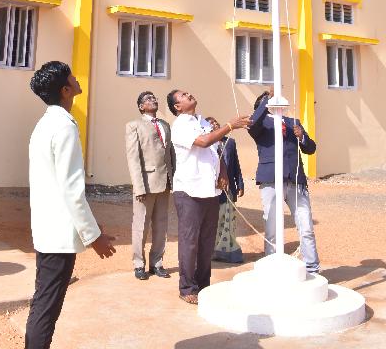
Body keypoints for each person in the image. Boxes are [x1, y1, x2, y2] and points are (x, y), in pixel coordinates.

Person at [25, 61, 115, 348]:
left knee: (44, 302)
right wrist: (94, 237)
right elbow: (71, 188)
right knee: (46, 308)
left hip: (49, 228)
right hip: (57, 236)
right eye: (72, 77)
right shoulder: (63, 126)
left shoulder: (45, 124)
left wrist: (89, 227)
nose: (78, 80)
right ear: (66, 90)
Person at [167, 89, 250, 304]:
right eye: (183, 95)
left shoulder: (202, 120)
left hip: (209, 190)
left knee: (206, 241)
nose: (189, 94)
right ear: (177, 106)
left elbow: (214, 150)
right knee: (190, 241)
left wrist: (222, 171)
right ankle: (187, 288)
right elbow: (203, 142)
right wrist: (230, 126)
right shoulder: (180, 125)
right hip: (189, 190)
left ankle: (203, 286)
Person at [248, 88, 320, 274]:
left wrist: (302, 136)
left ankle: (312, 267)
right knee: (272, 227)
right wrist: (266, 98)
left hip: (295, 180)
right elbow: (253, 122)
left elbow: (310, 148)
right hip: (271, 180)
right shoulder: (259, 123)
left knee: (306, 226)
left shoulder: (292, 122)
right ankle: (272, 268)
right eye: (267, 101)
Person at [125, 90, 175, 280]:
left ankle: (157, 262)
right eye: (148, 99)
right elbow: (133, 158)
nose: (153, 99)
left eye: (154, 97)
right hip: (146, 183)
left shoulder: (165, 125)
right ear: (141, 106)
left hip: (165, 182)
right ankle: (139, 263)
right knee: (141, 226)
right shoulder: (134, 126)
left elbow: (171, 155)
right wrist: (138, 187)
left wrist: (175, 179)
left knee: (161, 225)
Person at [206, 116, 245, 264]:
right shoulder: (206, 146)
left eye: (216, 121)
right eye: (210, 123)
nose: (214, 124)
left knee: (228, 220)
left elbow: (235, 164)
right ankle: (212, 251)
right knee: (215, 220)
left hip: (228, 189)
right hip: (212, 190)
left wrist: (240, 183)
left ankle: (228, 252)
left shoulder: (230, 142)